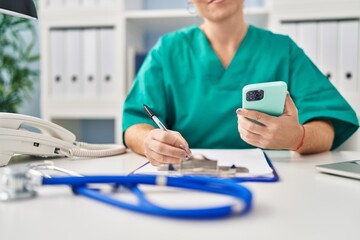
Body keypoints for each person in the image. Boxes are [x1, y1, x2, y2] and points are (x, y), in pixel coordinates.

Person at [122, 0, 359, 166]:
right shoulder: (168, 50)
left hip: (277, 184)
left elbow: (328, 127)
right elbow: (135, 123)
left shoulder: (282, 50)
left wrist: (297, 137)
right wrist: (149, 141)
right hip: (189, 179)